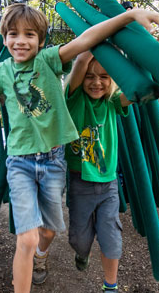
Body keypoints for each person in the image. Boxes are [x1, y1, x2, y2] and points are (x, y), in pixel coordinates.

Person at [0, 2, 159, 293]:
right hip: (20, 162)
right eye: (12, 34)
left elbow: (86, 41)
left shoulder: (48, 61)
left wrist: (128, 16)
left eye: (29, 35)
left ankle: (41, 256)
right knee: (27, 238)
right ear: (4, 37)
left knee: (47, 231)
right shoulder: (0, 73)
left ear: (41, 40)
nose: (20, 41)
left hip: (53, 162)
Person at [64, 51, 137, 293]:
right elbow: (82, 60)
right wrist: (102, 38)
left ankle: (110, 286)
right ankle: (82, 254)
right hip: (80, 182)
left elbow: (138, 91)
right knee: (80, 240)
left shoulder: (112, 102)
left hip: (108, 184)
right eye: (90, 77)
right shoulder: (74, 99)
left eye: (104, 77)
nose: (96, 82)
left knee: (111, 237)